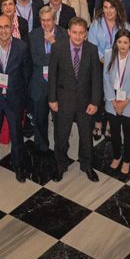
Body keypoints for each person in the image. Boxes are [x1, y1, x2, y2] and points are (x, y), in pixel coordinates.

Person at [48, 16, 103, 181]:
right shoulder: (58, 48)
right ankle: (60, 166)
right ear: (68, 32)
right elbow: (53, 76)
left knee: (86, 137)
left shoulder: (92, 50)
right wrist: (52, 99)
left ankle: (87, 165)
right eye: (75, 33)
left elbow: (96, 79)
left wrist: (95, 102)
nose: (78, 36)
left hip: (85, 103)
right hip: (63, 101)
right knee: (61, 136)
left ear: (86, 33)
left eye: (81, 33)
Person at [0, 13, 29, 181]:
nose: (3, 30)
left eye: (6, 26)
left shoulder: (22, 47)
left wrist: (22, 98)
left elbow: (26, 74)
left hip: (15, 97)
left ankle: (18, 164)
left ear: (12, 28)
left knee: (16, 133)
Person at [104, 28, 130, 176]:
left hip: (129, 102)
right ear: (115, 43)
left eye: (125, 42)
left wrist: (124, 103)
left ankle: (126, 160)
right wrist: (114, 101)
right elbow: (105, 78)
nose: (122, 45)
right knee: (114, 132)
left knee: (128, 133)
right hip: (112, 100)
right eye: (119, 42)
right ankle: (116, 156)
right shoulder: (109, 56)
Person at [26, 2, 63, 154]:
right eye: (43, 20)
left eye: (48, 20)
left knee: (59, 119)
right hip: (39, 84)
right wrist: (53, 56)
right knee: (40, 118)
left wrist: (53, 44)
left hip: (58, 84)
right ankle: (42, 146)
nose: (46, 23)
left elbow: (63, 59)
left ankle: (61, 146)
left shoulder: (63, 34)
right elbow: (35, 59)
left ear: (54, 20)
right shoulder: (33, 35)